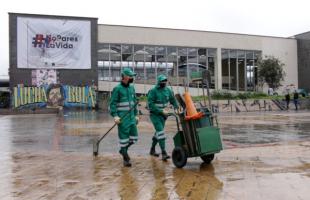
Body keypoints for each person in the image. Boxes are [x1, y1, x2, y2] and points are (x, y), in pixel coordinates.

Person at [109, 68, 139, 167]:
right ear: (125, 77)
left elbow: (135, 103)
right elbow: (112, 105)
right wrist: (115, 116)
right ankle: (126, 159)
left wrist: (137, 115)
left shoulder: (131, 88)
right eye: (131, 76)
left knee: (134, 138)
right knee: (124, 139)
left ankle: (122, 150)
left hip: (131, 118)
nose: (132, 78)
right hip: (122, 118)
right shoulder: (117, 89)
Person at [147, 74, 179, 161]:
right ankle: (164, 152)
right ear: (159, 82)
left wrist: (177, 108)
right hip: (155, 115)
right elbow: (150, 104)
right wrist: (161, 111)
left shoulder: (168, 90)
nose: (164, 83)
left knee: (158, 133)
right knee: (161, 132)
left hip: (164, 116)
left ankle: (152, 149)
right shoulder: (153, 91)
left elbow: (173, 100)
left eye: (165, 81)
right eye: (162, 81)